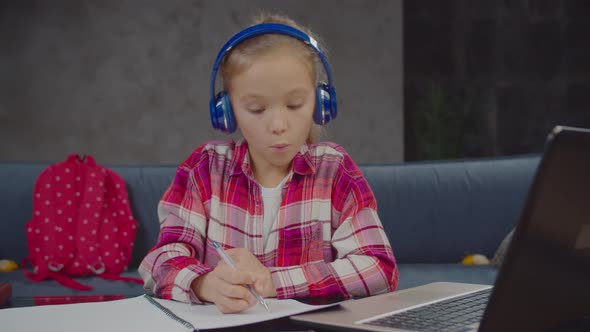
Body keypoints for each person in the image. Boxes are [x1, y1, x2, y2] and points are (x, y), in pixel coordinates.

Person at [139, 13, 399, 314]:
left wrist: (275, 281)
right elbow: (160, 260)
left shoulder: (335, 170)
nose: (277, 124)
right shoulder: (204, 169)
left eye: (294, 105)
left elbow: (379, 269)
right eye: (256, 108)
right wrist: (204, 284)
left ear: (320, 103)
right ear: (227, 112)